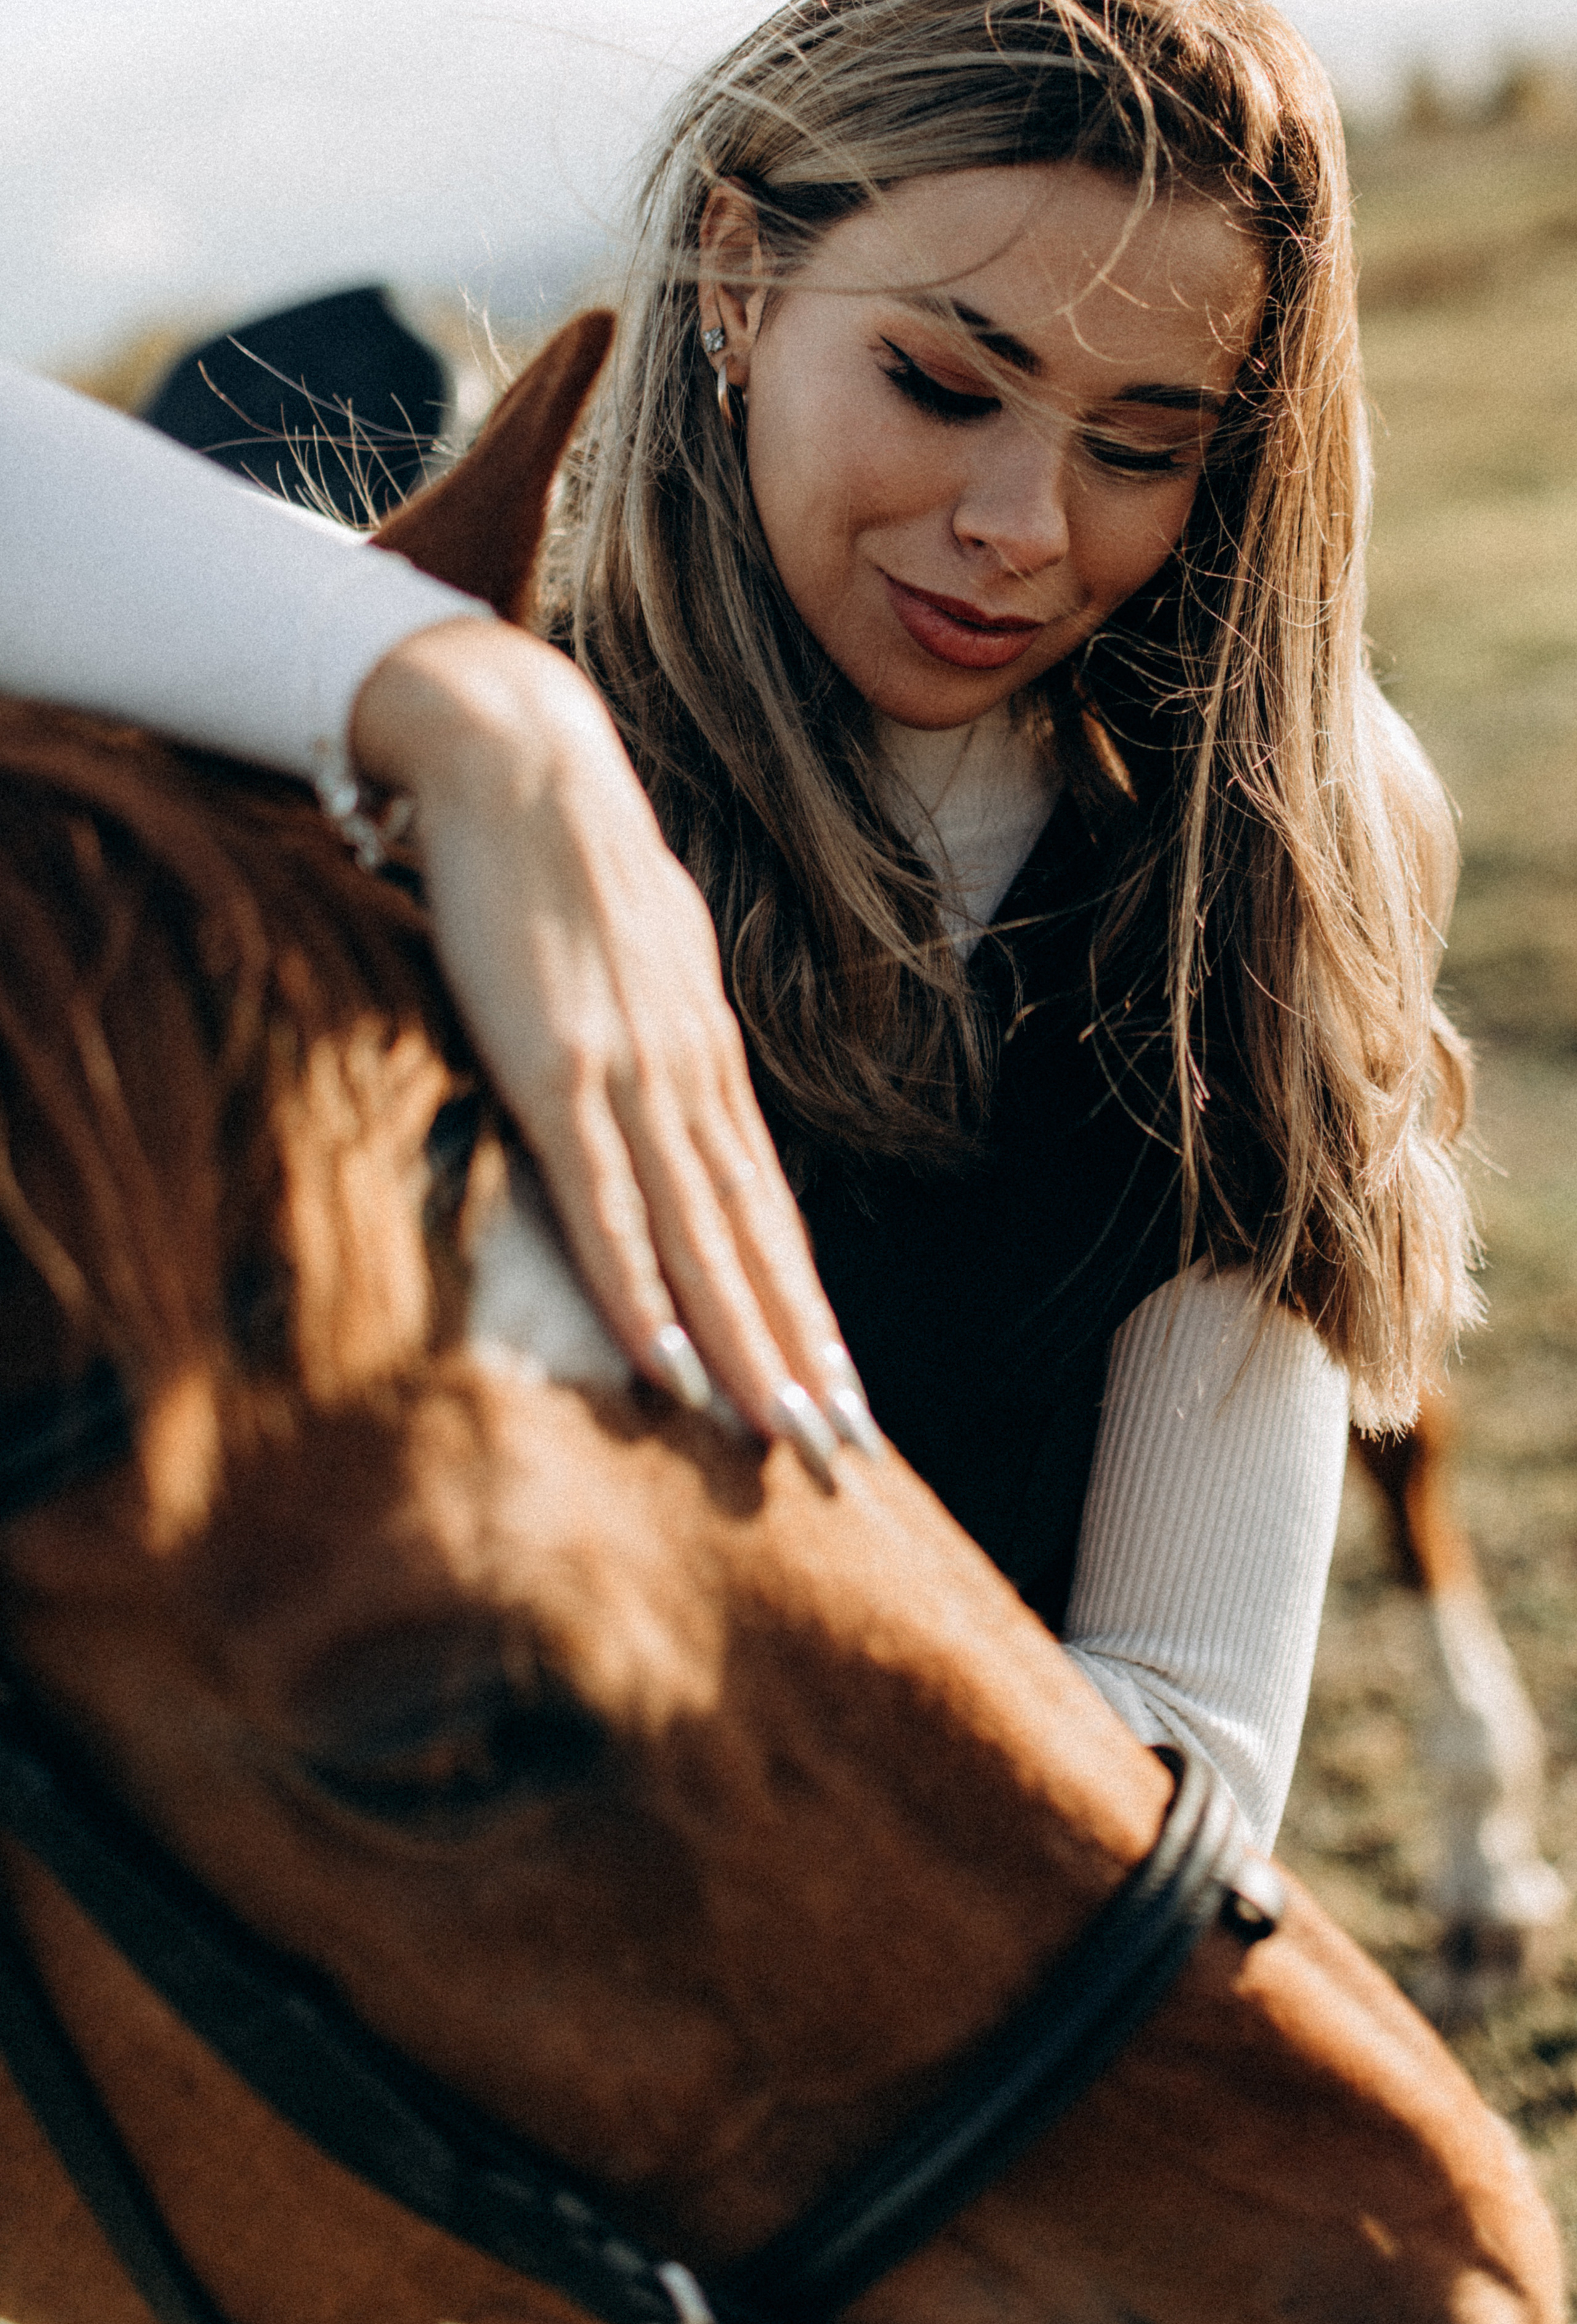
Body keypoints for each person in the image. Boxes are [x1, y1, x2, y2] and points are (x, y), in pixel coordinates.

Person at [0, 0, 1475, 1850]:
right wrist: (473, 721)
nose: (1024, 525)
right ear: (734, 272)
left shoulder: (1258, 851)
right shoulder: (382, 750)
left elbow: (1195, 1744)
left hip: (943, 2013)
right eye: (944, 385)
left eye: (1143, 446)